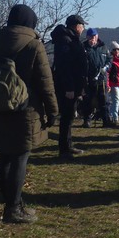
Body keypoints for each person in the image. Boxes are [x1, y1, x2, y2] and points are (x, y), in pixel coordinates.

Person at [0, 4, 59, 224]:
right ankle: (13, 209)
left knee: (4, 155)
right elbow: (45, 83)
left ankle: (7, 199)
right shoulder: (34, 45)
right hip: (25, 109)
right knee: (19, 157)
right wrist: (53, 111)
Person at [51, 14, 89, 159]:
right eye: (82, 25)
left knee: (69, 117)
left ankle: (68, 145)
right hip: (68, 87)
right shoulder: (65, 40)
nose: (83, 28)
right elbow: (64, 66)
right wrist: (69, 88)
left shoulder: (71, 39)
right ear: (76, 26)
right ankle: (64, 149)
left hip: (74, 85)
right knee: (66, 117)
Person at [81, 27, 111, 127]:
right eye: (91, 36)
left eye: (94, 36)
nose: (93, 38)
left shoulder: (103, 47)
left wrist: (106, 67)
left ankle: (106, 120)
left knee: (104, 100)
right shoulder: (83, 47)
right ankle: (87, 120)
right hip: (88, 79)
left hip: (102, 79)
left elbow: (109, 60)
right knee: (87, 100)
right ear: (87, 37)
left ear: (97, 36)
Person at [107, 40, 119, 126]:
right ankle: (114, 118)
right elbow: (107, 73)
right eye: (114, 49)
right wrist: (108, 85)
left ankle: (112, 116)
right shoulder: (111, 61)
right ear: (111, 50)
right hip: (113, 84)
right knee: (116, 101)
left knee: (117, 101)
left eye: (118, 49)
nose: (117, 51)